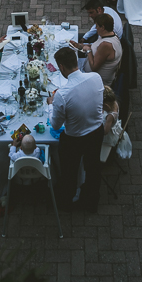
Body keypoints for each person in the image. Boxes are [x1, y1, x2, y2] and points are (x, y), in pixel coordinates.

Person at [49, 47, 105, 212]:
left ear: (61, 67)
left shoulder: (62, 95)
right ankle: (91, 202)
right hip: (96, 132)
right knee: (93, 168)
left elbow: (55, 125)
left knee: (69, 172)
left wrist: (51, 105)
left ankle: (66, 202)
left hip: (74, 140)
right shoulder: (96, 77)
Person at [69, 12, 122, 87]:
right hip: (86, 67)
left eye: (97, 26)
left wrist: (88, 51)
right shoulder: (110, 34)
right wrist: (79, 46)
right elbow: (95, 46)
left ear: (102, 27)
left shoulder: (106, 45)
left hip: (95, 81)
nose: (96, 29)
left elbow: (94, 67)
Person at [99, 86, 123, 161]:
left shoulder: (110, 116)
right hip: (114, 126)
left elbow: (105, 131)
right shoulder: (114, 102)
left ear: (106, 106)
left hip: (107, 135)